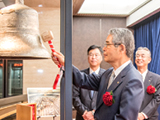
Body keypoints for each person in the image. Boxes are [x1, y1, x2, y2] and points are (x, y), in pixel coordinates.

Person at [52, 28, 144, 120]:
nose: (104, 48)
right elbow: (84, 80)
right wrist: (65, 64)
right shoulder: (108, 73)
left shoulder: (133, 80)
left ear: (121, 48)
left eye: (107, 44)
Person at [73, 45, 105, 120]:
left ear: (101, 57)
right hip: (82, 117)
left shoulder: (106, 75)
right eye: (91, 55)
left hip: (100, 116)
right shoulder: (80, 75)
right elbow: (74, 96)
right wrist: (84, 112)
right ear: (88, 58)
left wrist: (94, 112)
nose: (93, 57)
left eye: (96, 55)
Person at [135, 47, 160, 120]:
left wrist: (143, 114)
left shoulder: (157, 79)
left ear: (149, 60)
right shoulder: (128, 77)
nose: (139, 58)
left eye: (143, 56)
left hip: (150, 117)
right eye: (137, 56)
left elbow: (157, 99)